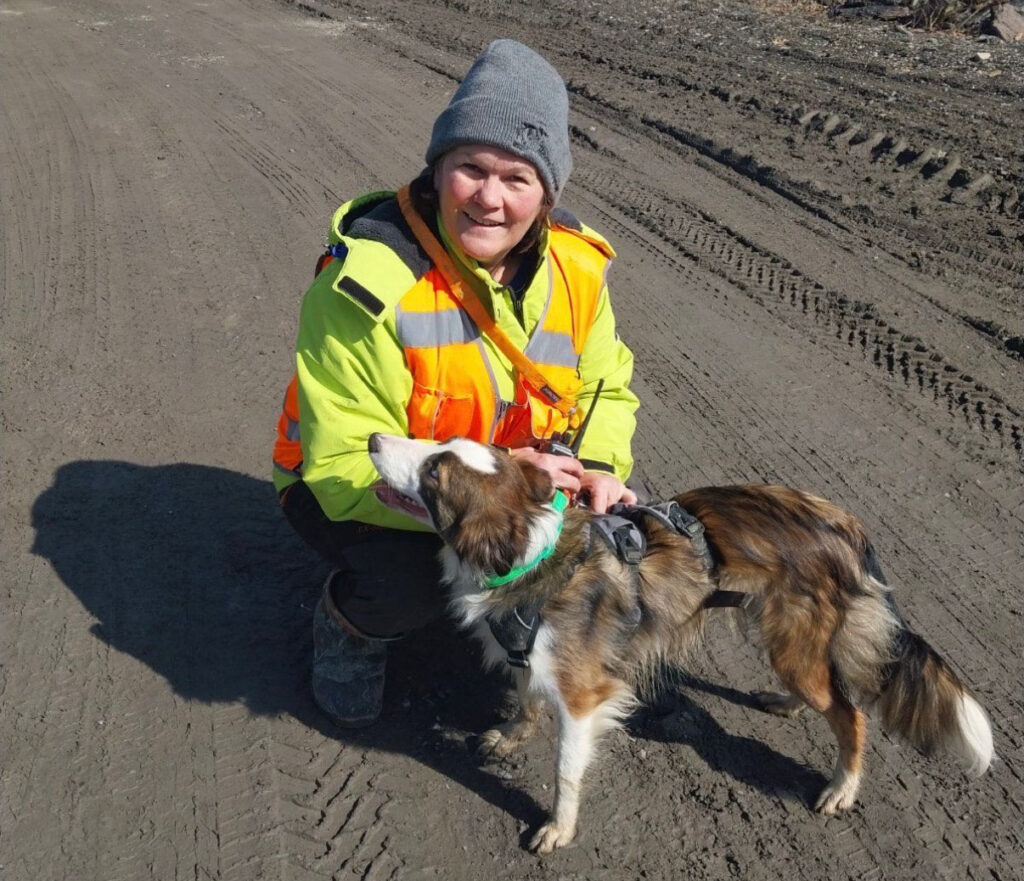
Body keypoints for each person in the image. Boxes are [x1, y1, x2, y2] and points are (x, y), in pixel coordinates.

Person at [273, 39, 640, 727]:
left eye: (518, 179)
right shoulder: (369, 282)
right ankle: (351, 624)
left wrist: (596, 467)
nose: (490, 199)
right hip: (356, 485)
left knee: (589, 547)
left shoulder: (577, 272)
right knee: (411, 586)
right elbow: (340, 461)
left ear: (547, 192)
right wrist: (490, 501)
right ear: (439, 167)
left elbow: (608, 389)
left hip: (497, 488)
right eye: (471, 167)